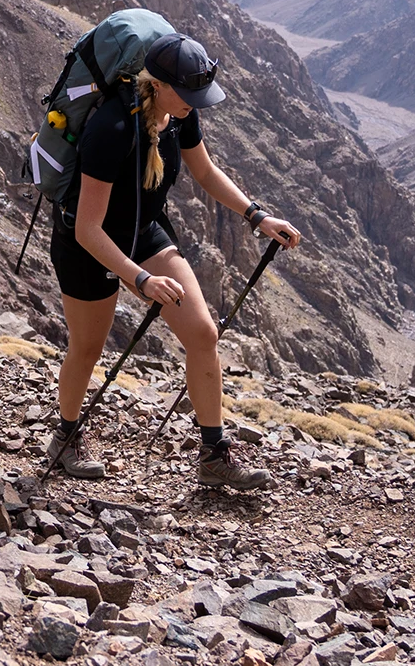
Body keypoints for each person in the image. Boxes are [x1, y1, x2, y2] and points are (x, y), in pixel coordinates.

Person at [46, 30, 302, 488]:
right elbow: (88, 229)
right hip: (86, 244)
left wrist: (257, 216)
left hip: (143, 232)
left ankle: (214, 457)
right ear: (158, 85)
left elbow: (205, 171)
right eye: (189, 95)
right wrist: (140, 280)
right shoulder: (112, 128)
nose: (196, 104)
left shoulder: (180, 113)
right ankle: (65, 438)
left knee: (203, 334)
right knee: (87, 348)